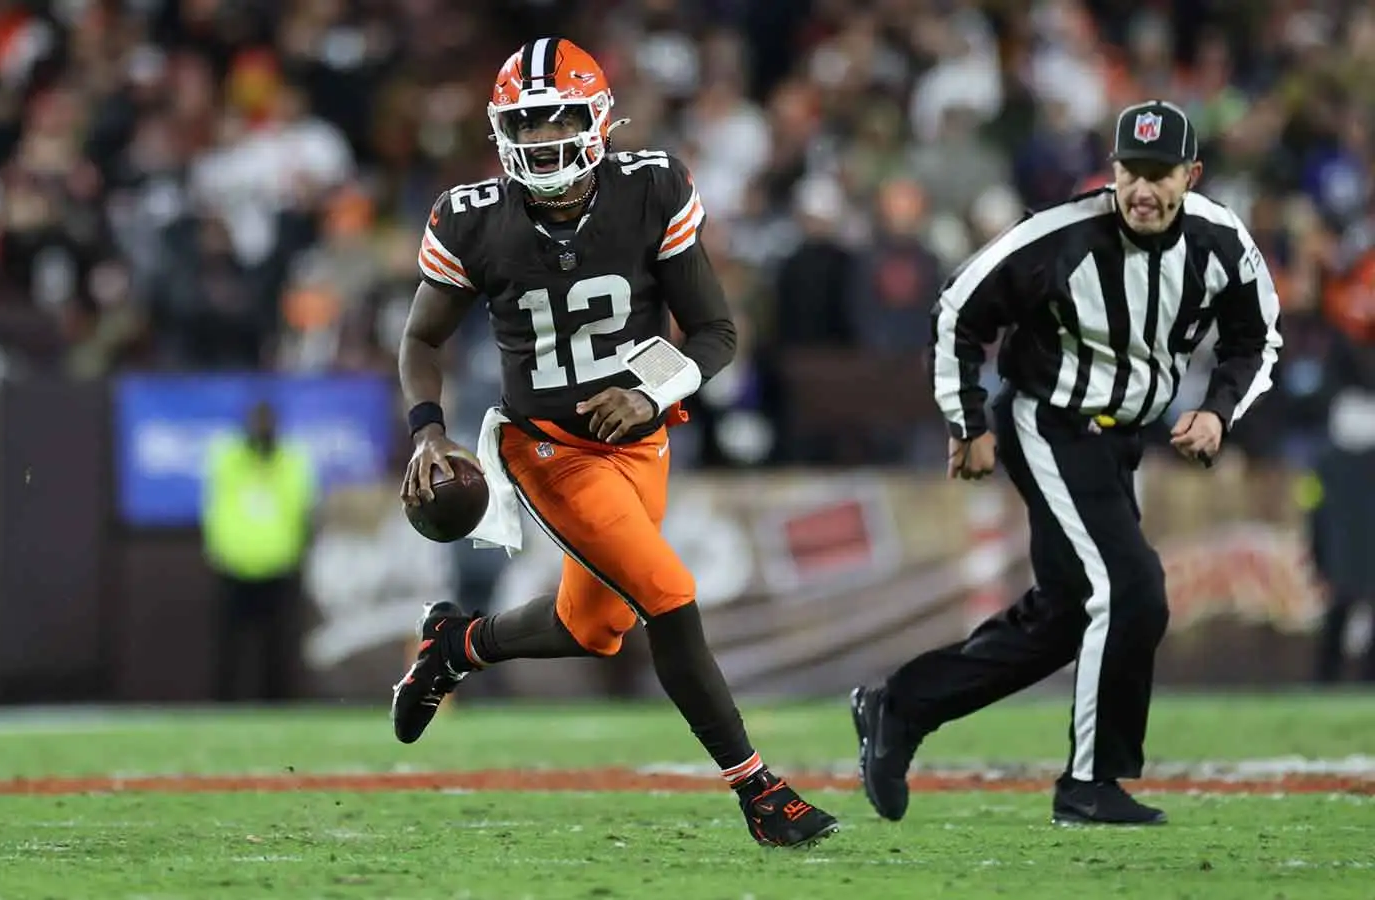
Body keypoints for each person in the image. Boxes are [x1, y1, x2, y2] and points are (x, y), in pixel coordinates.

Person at [390, 37, 838, 849]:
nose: (541, 139)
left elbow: (715, 331)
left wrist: (647, 393)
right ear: (501, 132)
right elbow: (421, 338)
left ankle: (456, 644)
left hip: (640, 438)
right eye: (525, 124)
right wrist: (426, 431)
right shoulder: (472, 216)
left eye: (558, 118)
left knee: (593, 627)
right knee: (666, 591)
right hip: (548, 447)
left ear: (597, 119)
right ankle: (760, 790)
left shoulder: (651, 188)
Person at [851, 100, 1282, 826]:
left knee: (1066, 615)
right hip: (1050, 423)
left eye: (1160, 174)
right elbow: (958, 308)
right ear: (1112, 171)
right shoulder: (1062, 235)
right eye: (1131, 171)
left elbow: (1257, 335)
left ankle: (902, 706)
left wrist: (1218, 410)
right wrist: (967, 422)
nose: (1143, 189)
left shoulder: (1219, 241)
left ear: (1192, 175)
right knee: (1132, 590)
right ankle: (1090, 783)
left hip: (1122, 441)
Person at [201, 400, 319, 702]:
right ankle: (223, 706)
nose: (261, 430)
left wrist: (297, 552)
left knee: (277, 648)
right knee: (228, 648)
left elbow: (303, 509)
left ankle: (276, 707)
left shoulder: (292, 460)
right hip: (233, 565)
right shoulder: (229, 458)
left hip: (280, 566)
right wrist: (219, 550)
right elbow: (215, 508)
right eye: (257, 423)